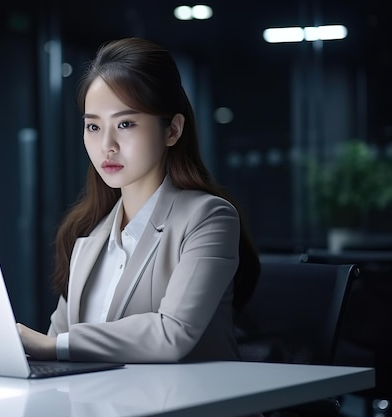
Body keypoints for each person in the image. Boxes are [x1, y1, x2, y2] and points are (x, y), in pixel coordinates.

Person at [17, 37, 260, 363]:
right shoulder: (89, 233)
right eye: (93, 126)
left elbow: (172, 333)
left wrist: (54, 346)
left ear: (172, 130)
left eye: (126, 124)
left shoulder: (208, 217)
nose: (107, 145)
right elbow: (53, 343)